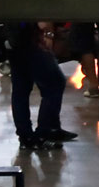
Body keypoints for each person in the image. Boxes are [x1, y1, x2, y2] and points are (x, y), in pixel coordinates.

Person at [8, 19, 70, 149]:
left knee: (21, 90)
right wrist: (48, 34)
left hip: (14, 40)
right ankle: (44, 133)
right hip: (31, 40)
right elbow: (42, 19)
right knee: (55, 84)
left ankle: (26, 137)